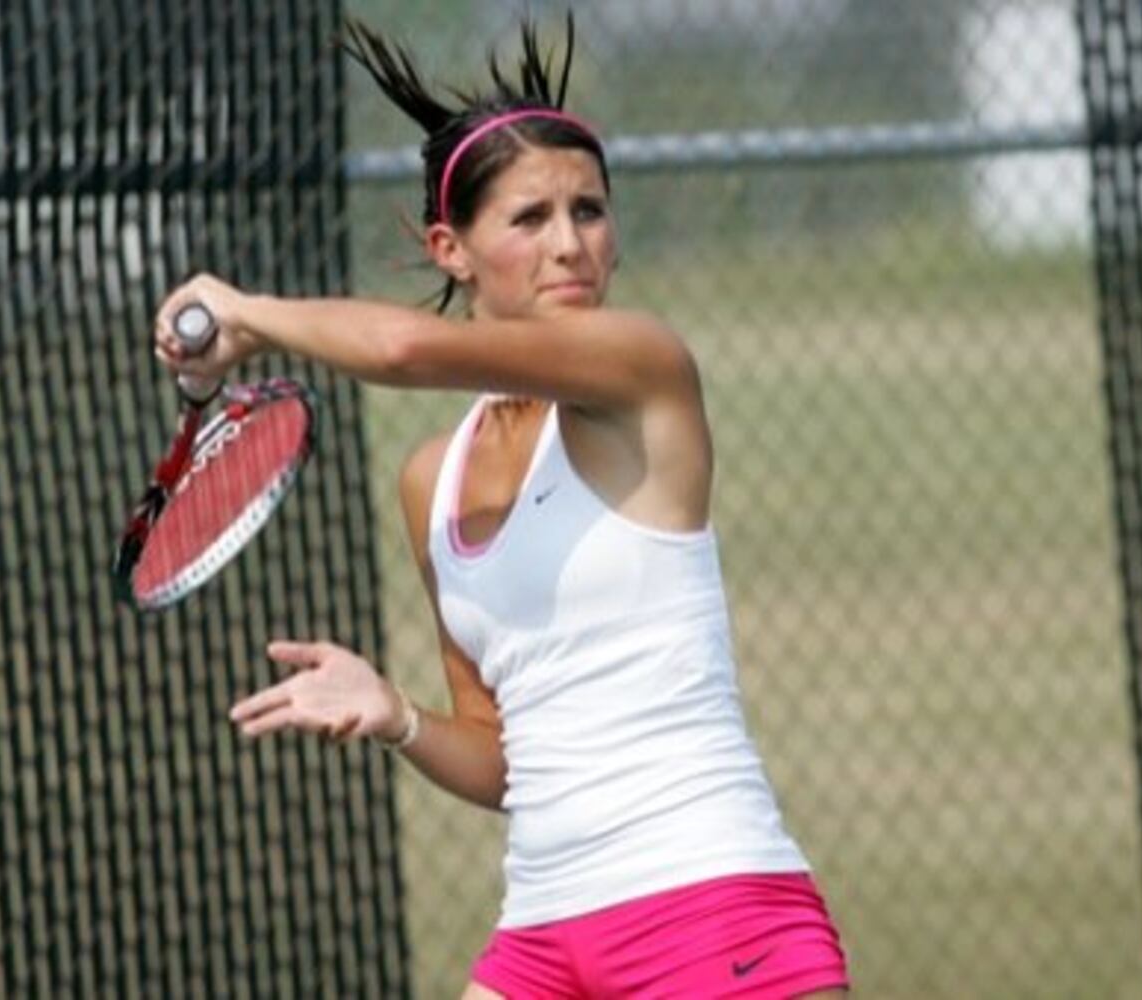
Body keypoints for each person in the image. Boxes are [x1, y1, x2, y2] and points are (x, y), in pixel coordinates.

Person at [154, 15, 849, 999]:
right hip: (539, 933)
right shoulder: (430, 480)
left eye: (590, 212)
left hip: (709, 906)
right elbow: (501, 758)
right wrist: (395, 713)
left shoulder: (640, 364)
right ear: (452, 247)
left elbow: (402, 352)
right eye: (529, 219)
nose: (570, 246)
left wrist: (247, 313)